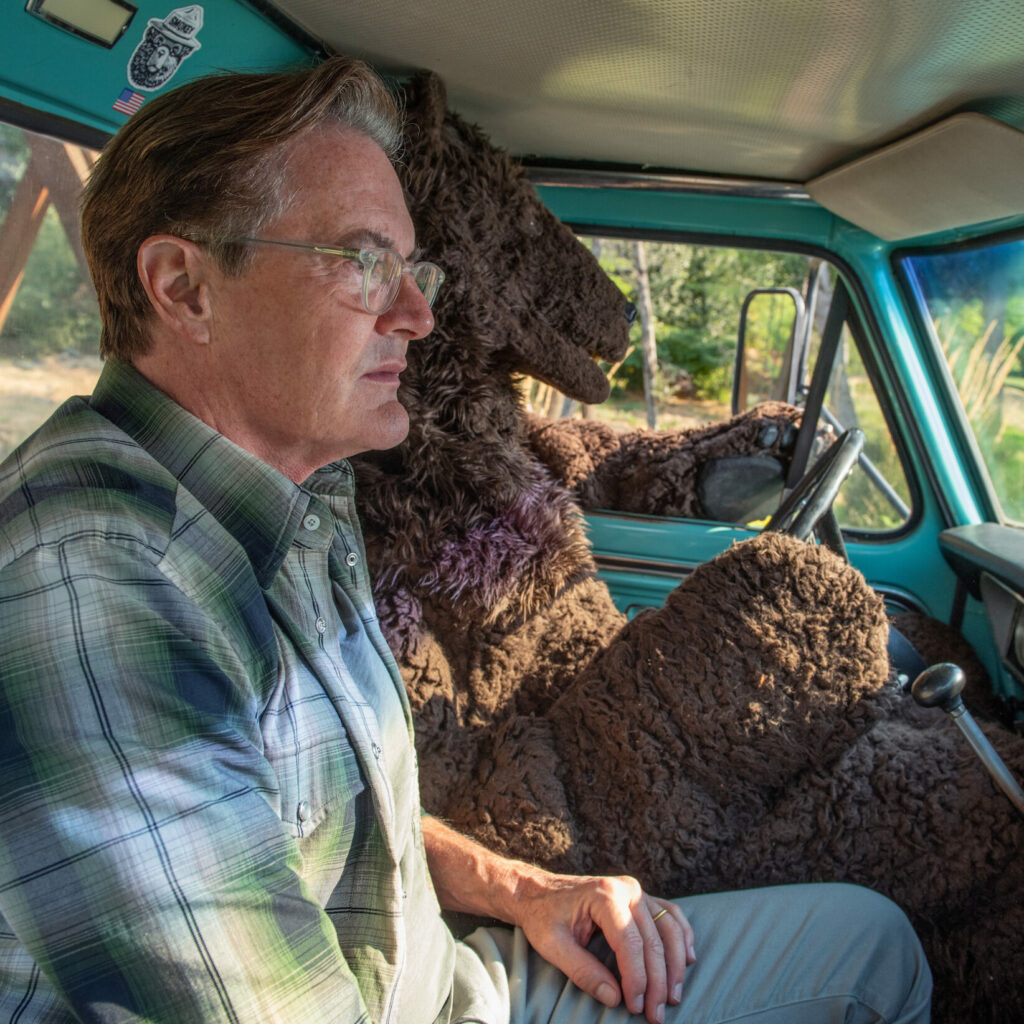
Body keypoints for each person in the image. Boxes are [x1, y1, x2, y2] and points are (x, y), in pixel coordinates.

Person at [0, 56, 931, 1024]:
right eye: (363, 262)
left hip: (440, 981)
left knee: (870, 945)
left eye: (415, 267)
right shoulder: (92, 586)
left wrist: (526, 889)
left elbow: (336, 811)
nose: (417, 313)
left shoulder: (295, 500)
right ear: (182, 286)